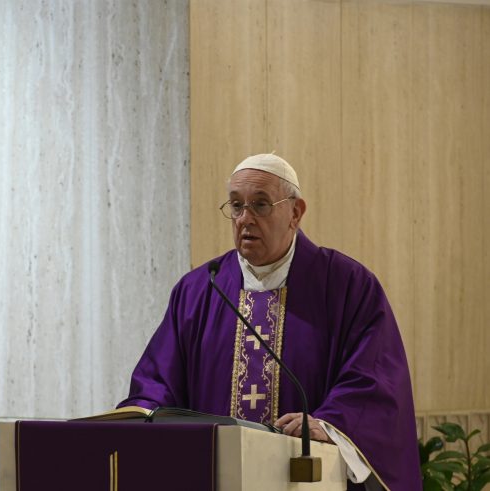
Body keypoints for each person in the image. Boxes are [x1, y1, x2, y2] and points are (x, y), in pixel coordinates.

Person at [118, 154, 420, 490]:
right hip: (215, 477)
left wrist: (330, 424)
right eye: (236, 206)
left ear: (295, 213)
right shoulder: (199, 290)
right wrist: (140, 417)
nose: (245, 219)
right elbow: (158, 380)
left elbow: (374, 378)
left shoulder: (347, 286)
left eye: (260, 205)